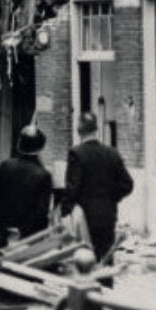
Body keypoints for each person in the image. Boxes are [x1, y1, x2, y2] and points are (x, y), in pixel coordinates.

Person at [63, 112, 134, 262]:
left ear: (79, 130)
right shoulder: (112, 153)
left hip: (84, 218)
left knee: (85, 260)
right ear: (97, 130)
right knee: (106, 258)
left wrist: (66, 211)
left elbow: (72, 189)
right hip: (108, 216)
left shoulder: (76, 153)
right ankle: (106, 277)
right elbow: (127, 184)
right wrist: (111, 198)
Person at [0, 124, 52, 248]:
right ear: (40, 147)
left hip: (3, 236)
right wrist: (21, 231)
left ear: (19, 144)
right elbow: (41, 212)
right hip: (29, 240)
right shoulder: (43, 175)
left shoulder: (5, 166)